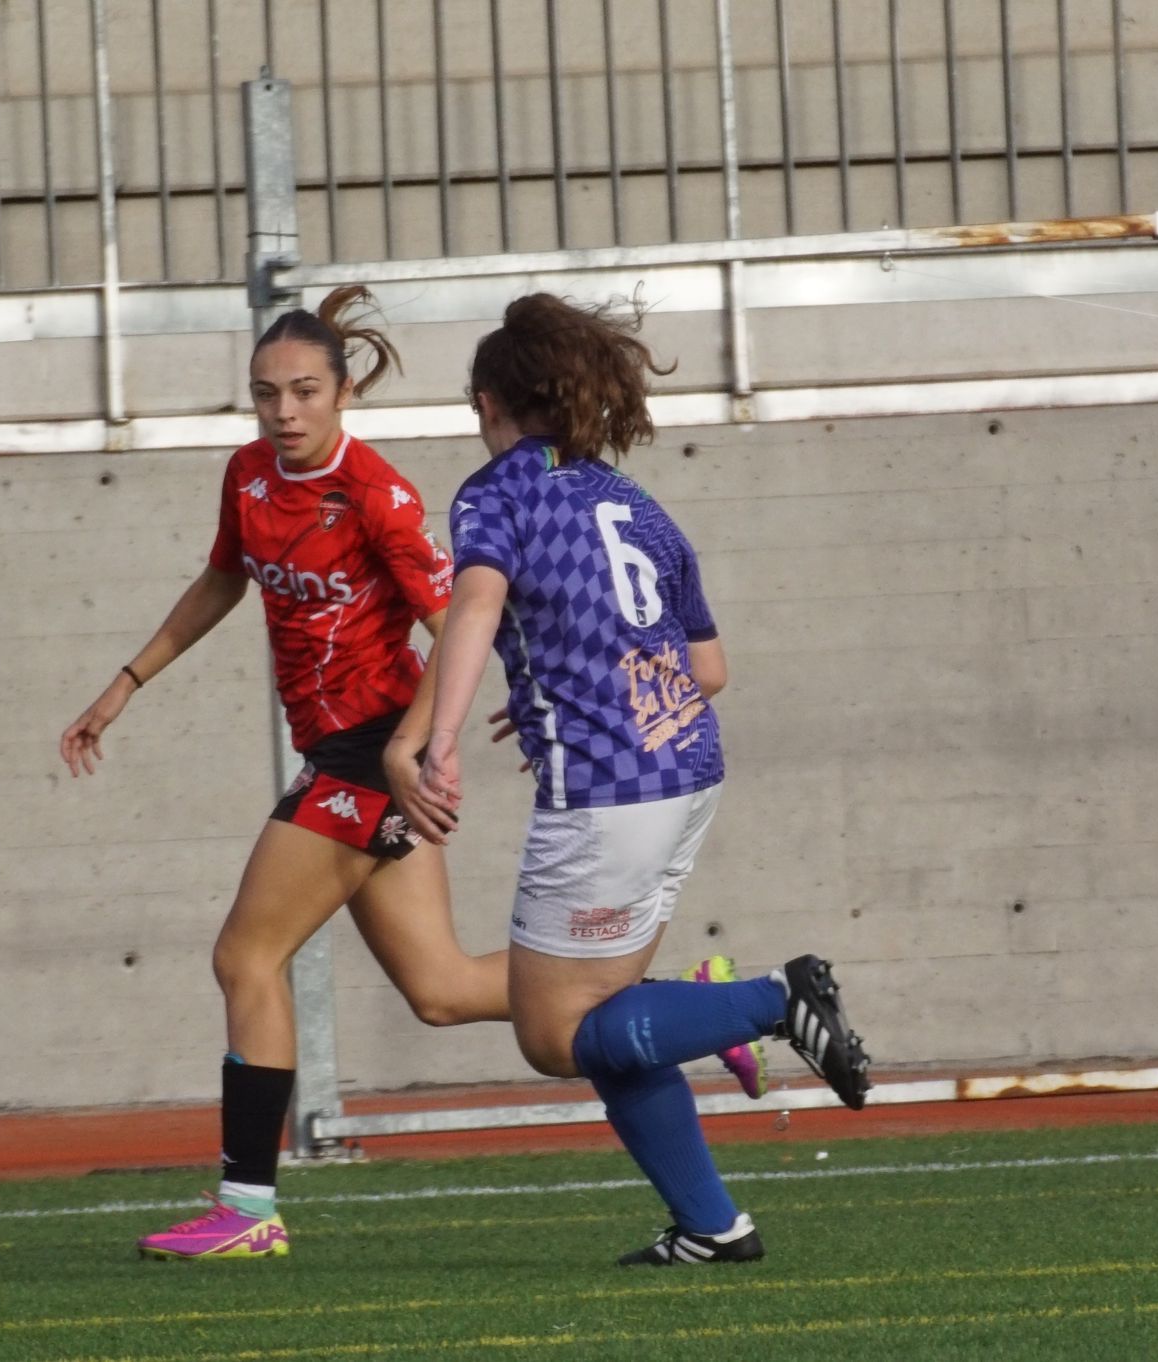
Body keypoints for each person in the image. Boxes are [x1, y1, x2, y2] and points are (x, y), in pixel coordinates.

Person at [402, 292, 874, 1268]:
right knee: (610, 1025)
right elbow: (707, 671)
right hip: (689, 771)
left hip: (609, 794)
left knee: (548, 1033)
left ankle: (767, 1002)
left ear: (490, 401)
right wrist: (554, 688)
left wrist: (436, 739)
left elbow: (475, 605)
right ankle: (712, 1226)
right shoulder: (634, 504)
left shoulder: (495, 492)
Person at [59, 287, 512, 1262]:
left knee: (242, 957)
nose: (284, 413)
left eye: (304, 392)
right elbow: (224, 576)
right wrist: (125, 683)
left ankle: (247, 1209)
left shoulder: (378, 496)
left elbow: (459, 628)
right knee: (443, 988)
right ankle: (683, 992)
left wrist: (420, 746)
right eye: (265, 394)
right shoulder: (249, 477)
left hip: (368, 753)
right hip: (344, 756)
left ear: (342, 393)